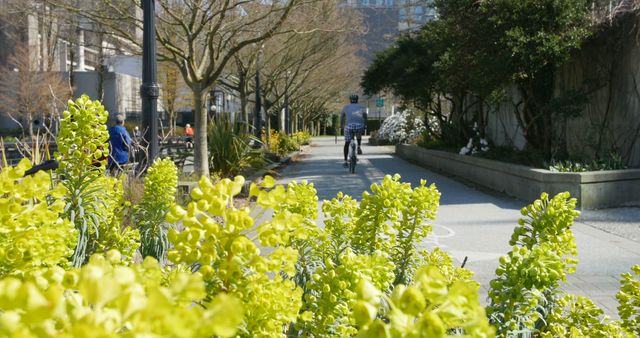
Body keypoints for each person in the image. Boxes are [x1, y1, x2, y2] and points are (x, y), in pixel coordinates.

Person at [340, 94, 367, 167]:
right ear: (357, 100)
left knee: (347, 142)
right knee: (358, 134)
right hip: (359, 125)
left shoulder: (346, 107)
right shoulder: (361, 107)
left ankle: (345, 161)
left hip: (348, 126)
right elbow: (365, 116)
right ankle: (358, 146)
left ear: (350, 100)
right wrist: (365, 125)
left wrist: (341, 125)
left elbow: (342, 116)